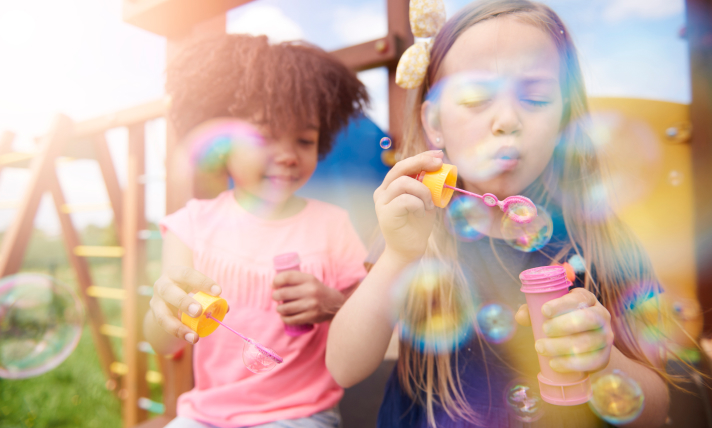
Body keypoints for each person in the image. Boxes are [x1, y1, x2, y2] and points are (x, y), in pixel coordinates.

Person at [327, 1, 672, 427]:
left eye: (536, 96)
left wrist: (604, 362)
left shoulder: (603, 242)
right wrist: (398, 256)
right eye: (475, 97)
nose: (507, 120)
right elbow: (343, 367)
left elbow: (656, 410)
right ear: (434, 122)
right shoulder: (418, 228)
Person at [144, 34, 370, 428]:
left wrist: (332, 303)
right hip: (204, 416)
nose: (287, 154)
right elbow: (164, 342)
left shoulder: (332, 225)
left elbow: (367, 314)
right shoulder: (191, 225)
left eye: (304, 139)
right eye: (265, 136)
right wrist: (161, 312)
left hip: (301, 414)